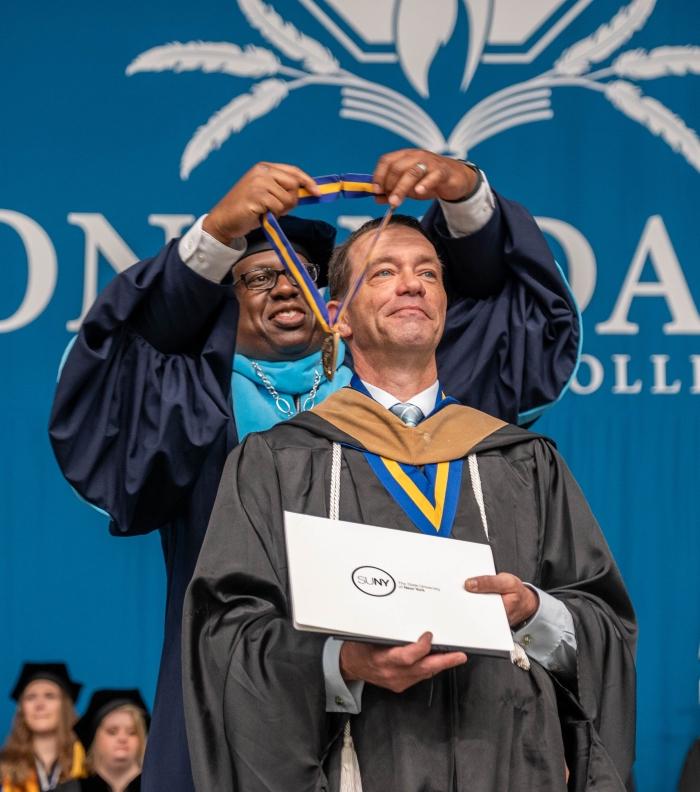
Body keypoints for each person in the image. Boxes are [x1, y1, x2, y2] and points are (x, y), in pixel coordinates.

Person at [49, 149, 581, 792]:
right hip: (244, 692)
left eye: (303, 272)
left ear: (341, 305)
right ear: (223, 302)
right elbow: (130, 351)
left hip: (412, 712)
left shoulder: (396, 387)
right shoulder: (190, 404)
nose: (283, 287)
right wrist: (216, 233)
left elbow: (501, 305)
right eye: (256, 277)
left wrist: (466, 193)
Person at [183, 213, 636, 791]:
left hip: (512, 762)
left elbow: (605, 627)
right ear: (337, 316)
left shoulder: (520, 461)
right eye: (384, 272)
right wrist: (343, 662)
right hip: (364, 761)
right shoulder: (278, 462)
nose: (412, 284)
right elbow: (227, 638)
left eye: (428, 272)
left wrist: (532, 611)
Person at [1, 664, 85, 792]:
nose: (39, 705)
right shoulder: (3, 768)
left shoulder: (87, 764)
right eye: (31, 697)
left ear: (65, 707)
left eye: (49, 696)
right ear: (22, 709)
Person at [56, 689, 148, 792]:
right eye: (112, 732)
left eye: (132, 732)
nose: (122, 738)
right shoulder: (68, 790)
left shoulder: (160, 787)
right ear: (94, 738)